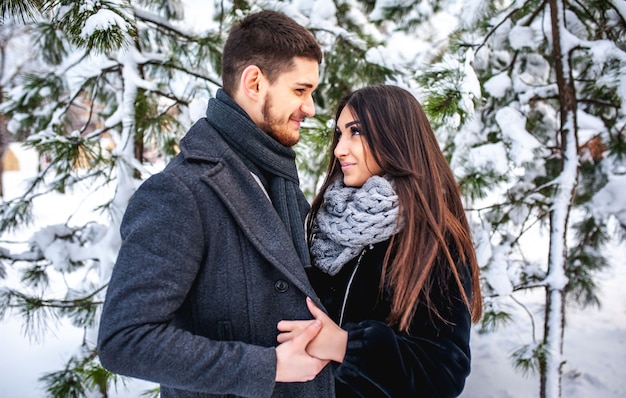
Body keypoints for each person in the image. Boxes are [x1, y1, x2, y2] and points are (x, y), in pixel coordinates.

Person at [97, 10, 336, 398]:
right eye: (300, 90)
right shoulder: (181, 192)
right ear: (255, 82)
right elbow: (124, 340)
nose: (310, 108)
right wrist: (267, 367)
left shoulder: (279, 179)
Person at [277, 85, 483, 397]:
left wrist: (347, 346)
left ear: (395, 137)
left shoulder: (432, 240)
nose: (339, 149)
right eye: (339, 134)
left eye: (356, 132)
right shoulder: (327, 221)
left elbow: (443, 372)